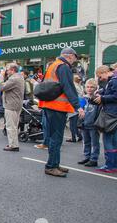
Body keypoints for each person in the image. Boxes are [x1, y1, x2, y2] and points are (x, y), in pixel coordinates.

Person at [39, 48, 84, 178]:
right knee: (56, 138)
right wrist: (78, 106)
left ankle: (54, 164)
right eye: (75, 57)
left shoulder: (53, 65)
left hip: (49, 105)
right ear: (69, 56)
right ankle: (51, 166)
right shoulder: (63, 67)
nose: (75, 60)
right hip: (57, 107)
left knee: (55, 136)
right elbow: (68, 87)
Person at [94, 65, 117, 173]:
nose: (100, 79)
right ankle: (113, 164)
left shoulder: (114, 80)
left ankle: (110, 165)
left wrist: (102, 98)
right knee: (113, 140)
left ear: (104, 72)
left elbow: (115, 96)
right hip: (113, 114)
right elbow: (112, 93)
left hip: (111, 114)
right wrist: (102, 92)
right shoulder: (112, 80)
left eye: (100, 76)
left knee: (108, 140)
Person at [0, 63, 25, 152]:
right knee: (14, 126)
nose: (6, 72)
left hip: (11, 105)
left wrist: (1, 76)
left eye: (7, 70)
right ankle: (13, 143)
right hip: (16, 104)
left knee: (10, 126)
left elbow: (1, 87)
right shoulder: (19, 77)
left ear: (12, 70)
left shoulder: (14, 79)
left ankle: (13, 145)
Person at [78, 79, 100, 167]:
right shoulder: (83, 98)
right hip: (84, 123)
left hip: (93, 124)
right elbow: (80, 108)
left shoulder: (97, 98)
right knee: (86, 141)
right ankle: (87, 156)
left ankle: (94, 159)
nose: (89, 89)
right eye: (88, 87)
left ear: (95, 88)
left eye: (92, 87)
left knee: (94, 143)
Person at [66, 75, 84, 143]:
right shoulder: (80, 86)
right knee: (74, 122)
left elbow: (71, 96)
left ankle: (74, 137)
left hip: (73, 105)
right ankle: (78, 136)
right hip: (79, 105)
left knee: (72, 123)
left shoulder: (73, 86)